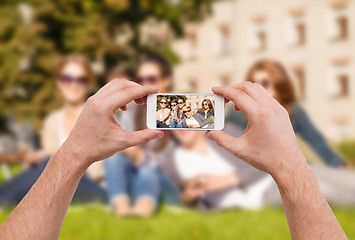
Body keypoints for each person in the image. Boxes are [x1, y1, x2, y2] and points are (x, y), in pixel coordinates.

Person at [0, 81, 347, 239]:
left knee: (332, 178)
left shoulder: (221, 144)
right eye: (177, 119)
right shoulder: (170, 157)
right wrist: (289, 167)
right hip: (259, 190)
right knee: (331, 182)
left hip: (262, 183)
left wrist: (285, 168)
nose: (184, 124)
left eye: (189, 118)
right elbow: (183, 192)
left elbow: (251, 170)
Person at [0, 55, 106, 208]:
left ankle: (3, 202)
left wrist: (46, 155)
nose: (73, 85)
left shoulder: (99, 116)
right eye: (67, 79)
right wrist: (37, 156)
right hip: (58, 183)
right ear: (59, 82)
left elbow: (92, 160)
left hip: (91, 185)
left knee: (50, 162)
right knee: (46, 165)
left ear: (88, 83)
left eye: (81, 80)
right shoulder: (53, 120)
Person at [226, 59, 347, 168]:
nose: (259, 89)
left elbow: (315, 140)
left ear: (278, 84)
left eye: (264, 83)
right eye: (253, 84)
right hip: (247, 173)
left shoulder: (294, 112)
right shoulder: (238, 111)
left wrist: (338, 164)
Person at [105, 55, 180, 217]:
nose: (145, 84)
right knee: (113, 159)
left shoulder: (178, 112)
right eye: (141, 79)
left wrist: (139, 155)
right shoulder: (133, 111)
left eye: (151, 79)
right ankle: (122, 210)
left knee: (147, 170)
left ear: (166, 80)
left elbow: (175, 161)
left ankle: (142, 211)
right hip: (136, 175)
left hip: (165, 181)